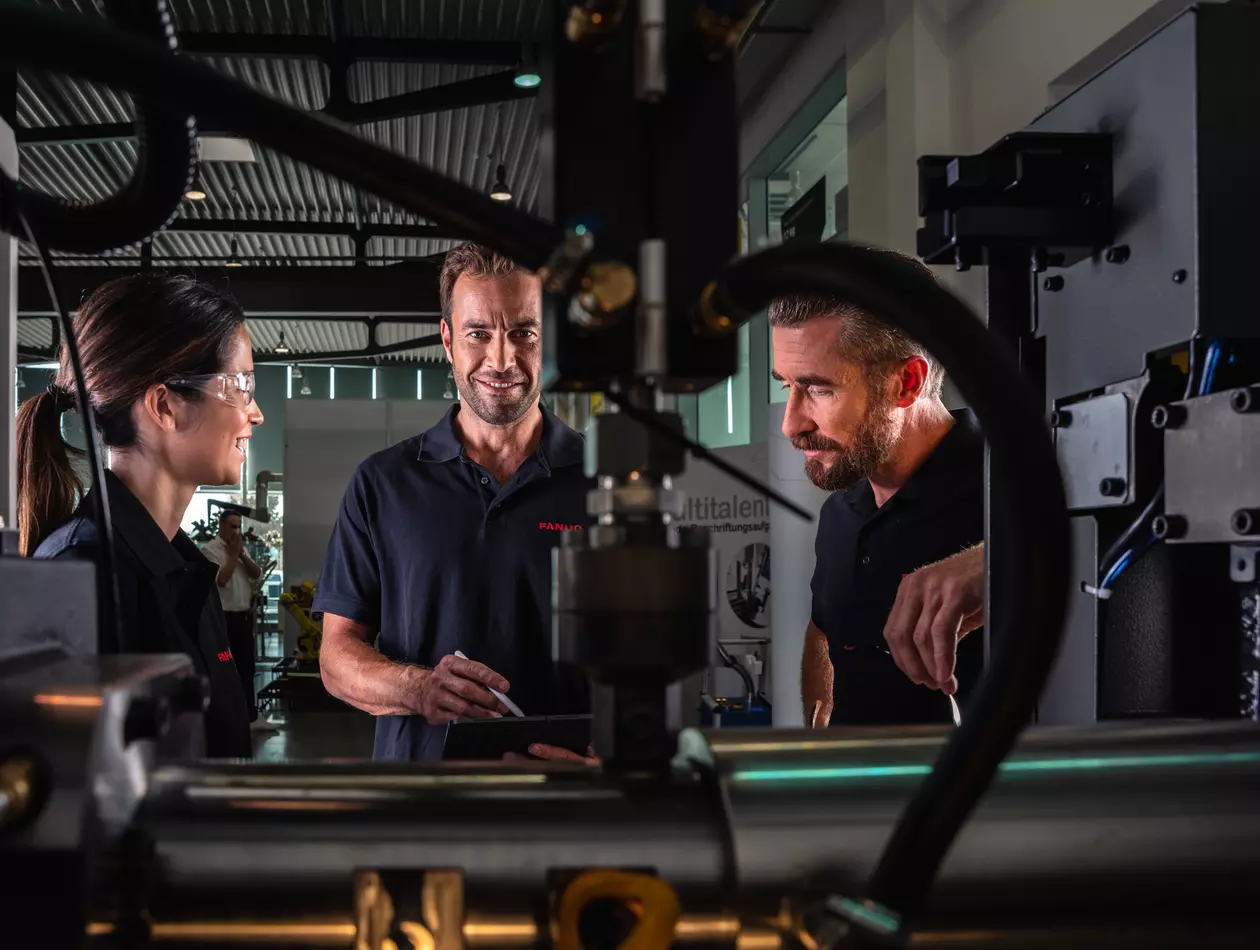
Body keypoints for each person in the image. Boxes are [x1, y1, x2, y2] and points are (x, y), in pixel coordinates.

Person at [316, 243, 591, 762]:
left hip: (564, 807)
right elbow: (336, 658)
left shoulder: (606, 482)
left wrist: (615, 763)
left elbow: (648, 665)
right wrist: (418, 688)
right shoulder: (383, 484)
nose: (502, 359)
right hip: (420, 810)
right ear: (447, 340)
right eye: (478, 334)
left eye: (523, 334)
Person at [19, 274, 263, 758]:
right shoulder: (84, 577)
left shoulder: (184, 572)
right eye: (241, 386)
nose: (254, 413)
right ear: (164, 405)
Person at [770, 253, 985, 728]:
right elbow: (823, 633)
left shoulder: (1011, 485)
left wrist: (996, 560)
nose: (791, 424)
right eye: (785, 384)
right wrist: (819, 739)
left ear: (907, 382)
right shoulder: (841, 514)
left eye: (819, 389)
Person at [201, 510, 269, 730]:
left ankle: (250, 716)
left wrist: (240, 555)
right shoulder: (210, 551)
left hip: (242, 620)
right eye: (232, 526)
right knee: (224, 663)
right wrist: (232, 556)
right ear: (221, 526)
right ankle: (226, 717)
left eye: (238, 526)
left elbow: (257, 574)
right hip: (224, 622)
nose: (236, 531)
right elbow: (221, 579)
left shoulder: (240, 550)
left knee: (246, 666)